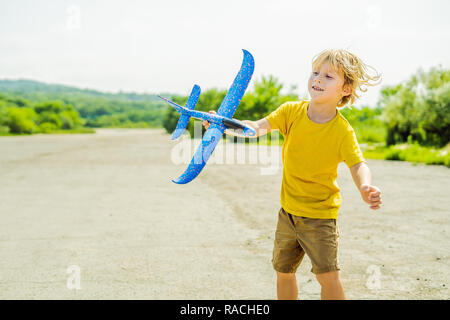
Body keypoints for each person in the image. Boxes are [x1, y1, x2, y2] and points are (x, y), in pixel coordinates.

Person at [203, 49, 383, 300]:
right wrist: (223, 124)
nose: (318, 79)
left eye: (329, 76)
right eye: (315, 72)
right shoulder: (291, 112)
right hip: (287, 213)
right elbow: (255, 128)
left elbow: (357, 164)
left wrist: (365, 187)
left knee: (327, 276)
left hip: (320, 218)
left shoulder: (342, 131)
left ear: (346, 89)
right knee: (283, 271)